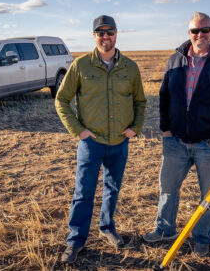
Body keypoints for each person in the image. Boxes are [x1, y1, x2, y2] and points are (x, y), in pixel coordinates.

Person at [143, 12, 210, 256]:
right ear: (188, 33)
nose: (200, 35)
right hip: (175, 141)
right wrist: (166, 129)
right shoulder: (174, 61)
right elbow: (164, 97)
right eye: (194, 31)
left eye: (205, 30)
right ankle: (165, 230)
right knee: (167, 189)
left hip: (209, 144)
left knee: (208, 196)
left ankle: (202, 238)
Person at [55, 15, 146, 264]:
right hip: (91, 143)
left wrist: (135, 127)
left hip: (119, 142)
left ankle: (107, 228)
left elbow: (139, 101)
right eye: (100, 33)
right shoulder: (81, 65)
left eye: (110, 32)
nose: (106, 37)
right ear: (94, 36)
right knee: (83, 192)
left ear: (116, 34)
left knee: (112, 188)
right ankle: (75, 241)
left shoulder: (130, 67)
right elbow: (61, 100)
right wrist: (78, 130)